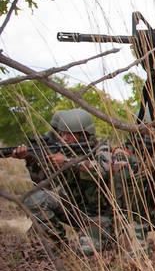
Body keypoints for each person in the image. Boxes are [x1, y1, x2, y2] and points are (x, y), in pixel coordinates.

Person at [11, 108, 134, 255]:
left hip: (100, 215)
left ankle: (109, 238)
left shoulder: (101, 148)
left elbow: (103, 170)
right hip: (75, 210)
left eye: (69, 134)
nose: (64, 138)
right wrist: (31, 161)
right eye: (61, 133)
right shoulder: (62, 150)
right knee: (34, 199)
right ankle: (57, 244)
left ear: (84, 134)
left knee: (86, 251)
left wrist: (68, 162)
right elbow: (44, 184)